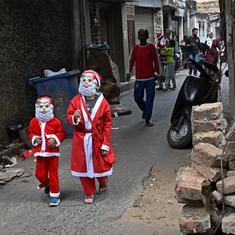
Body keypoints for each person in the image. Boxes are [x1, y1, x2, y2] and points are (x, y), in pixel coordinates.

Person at [67, 70, 116, 204]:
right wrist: (75, 119)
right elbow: (70, 116)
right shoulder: (75, 101)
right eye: (83, 80)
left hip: (97, 138)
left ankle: (102, 181)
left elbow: (107, 124)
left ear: (97, 85)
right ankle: (89, 192)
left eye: (89, 80)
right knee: (83, 166)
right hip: (81, 139)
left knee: (100, 165)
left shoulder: (103, 103)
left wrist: (105, 143)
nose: (86, 83)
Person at [28, 96, 66, 207]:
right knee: (39, 174)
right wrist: (34, 138)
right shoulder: (34, 122)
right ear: (37, 108)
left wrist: (55, 139)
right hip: (40, 153)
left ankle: (54, 196)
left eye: (46, 106)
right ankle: (46, 182)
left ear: (51, 107)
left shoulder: (55, 122)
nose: (43, 109)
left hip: (53, 153)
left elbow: (61, 133)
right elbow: (30, 133)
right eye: (41, 106)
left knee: (53, 174)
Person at [126, 28, 160, 126]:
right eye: (140, 35)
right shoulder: (135, 48)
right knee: (137, 98)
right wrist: (128, 72)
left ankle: (147, 119)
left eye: (144, 35)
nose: (142, 37)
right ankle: (146, 110)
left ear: (147, 37)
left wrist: (159, 73)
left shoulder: (151, 47)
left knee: (150, 99)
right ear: (138, 37)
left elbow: (156, 61)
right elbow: (131, 61)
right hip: (139, 78)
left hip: (150, 78)